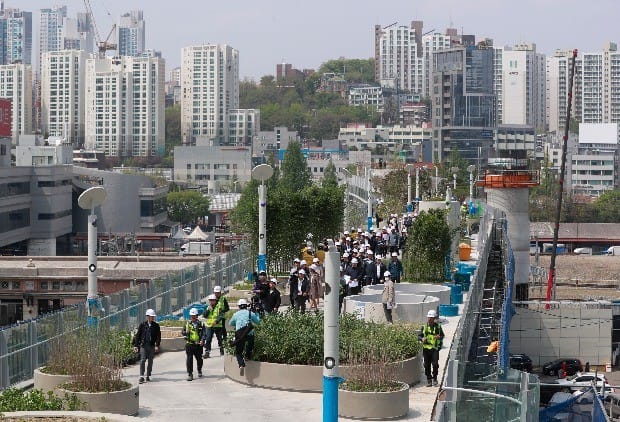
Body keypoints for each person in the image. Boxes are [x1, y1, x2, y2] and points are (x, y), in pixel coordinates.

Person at [229, 298, 261, 370]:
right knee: (250, 344)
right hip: (249, 334)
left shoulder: (235, 314)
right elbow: (258, 321)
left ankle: (241, 365)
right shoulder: (250, 313)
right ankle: (247, 356)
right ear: (246, 306)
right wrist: (257, 313)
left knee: (238, 352)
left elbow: (230, 323)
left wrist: (237, 322)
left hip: (239, 335)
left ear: (239, 306)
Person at [132, 308, 161, 384]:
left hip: (151, 346)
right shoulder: (142, 325)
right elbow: (138, 335)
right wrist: (136, 345)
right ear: (147, 316)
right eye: (151, 316)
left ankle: (148, 375)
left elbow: (158, 336)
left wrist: (157, 345)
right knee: (143, 360)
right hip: (144, 345)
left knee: (150, 361)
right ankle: (141, 376)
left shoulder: (156, 326)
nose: (152, 317)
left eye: (153, 316)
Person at [418, 309, 444, 387]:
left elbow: (442, 335)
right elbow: (419, 336)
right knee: (426, 365)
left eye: (431, 318)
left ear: (434, 319)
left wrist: (439, 337)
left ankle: (435, 378)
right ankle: (429, 380)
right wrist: (422, 339)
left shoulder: (438, 327)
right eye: (429, 317)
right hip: (426, 349)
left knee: (435, 364)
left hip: (434, 348)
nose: (430, 319)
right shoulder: (424, 327)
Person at [182, 308, 206, 381]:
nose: (193, 317)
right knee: (189, 359)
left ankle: (199, 370)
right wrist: (186, 332)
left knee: (199, 359)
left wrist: (202, 340)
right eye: (191, 315)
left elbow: (204, 334)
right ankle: (190, 374)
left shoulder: (201, 324)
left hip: (198, 345)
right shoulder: (187, 324)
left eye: (194, 315)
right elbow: (183, 332)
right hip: (189, 344)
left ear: (197, 316)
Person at [202, 294, 225, 358]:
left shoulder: (219, 306)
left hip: (217, 326)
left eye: (212, 300)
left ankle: (222, 349)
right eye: (210, 300)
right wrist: (208, 310)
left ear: (215, 300)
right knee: (208, 339)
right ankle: (207, 352)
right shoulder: (208, 307)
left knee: (220, 339)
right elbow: (204, 315)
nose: (211, 302)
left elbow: (221, 315)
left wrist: (216, 321)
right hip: (209, 326)